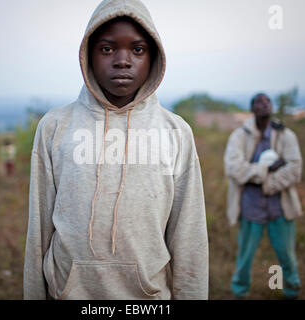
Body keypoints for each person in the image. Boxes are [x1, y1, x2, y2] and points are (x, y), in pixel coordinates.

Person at [23, 0, 208, 300]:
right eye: (107, 49)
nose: (123, 60)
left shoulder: (175, 132)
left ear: (153, 57)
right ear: (88, 56)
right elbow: (38, 230)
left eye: (137, 49)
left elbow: (189, 237)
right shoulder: (56, 127)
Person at [224, 93, 303, 299]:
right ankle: (239, 292)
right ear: (252, 109)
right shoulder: (239, 136)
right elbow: (233, 167)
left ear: (271, 107)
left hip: (280, 206)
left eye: (267, 101)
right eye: (258, 101)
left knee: (287, 256)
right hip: (250, 207)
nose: (264, 104)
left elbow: (295, 168)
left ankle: (291, 291)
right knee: (245, 256)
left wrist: (267, 184)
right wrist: (266, 170)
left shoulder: (286, 135)